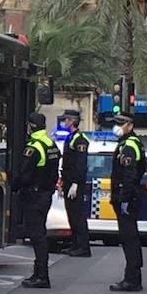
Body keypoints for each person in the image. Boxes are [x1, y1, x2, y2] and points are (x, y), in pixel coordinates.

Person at [14, 112, 58, 288]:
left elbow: (24, 174)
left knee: (37, 236)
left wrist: (15, 186)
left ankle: (41, 275)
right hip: (45, 194)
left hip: (34, 196)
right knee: (40, 234)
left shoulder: (34, 147)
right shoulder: (51, 144)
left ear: (31, 126)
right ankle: (40, 273)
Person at [109, 111, 147, 292]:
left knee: (129, 238)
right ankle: (133, 277)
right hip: (128, 197)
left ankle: (132, 279)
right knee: (129, 238)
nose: (117, 126)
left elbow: (130, 175)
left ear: (130, 125)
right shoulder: (128, 143)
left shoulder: (129, 146)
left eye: (121, 123)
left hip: (127, 199)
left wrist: (124, 199)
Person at [60, 108, 92, 257]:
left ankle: (83, 247)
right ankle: (75, 244)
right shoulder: (71, 138)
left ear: (72, 121)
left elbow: (80, 165)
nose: (64, 122)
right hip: (68, 182)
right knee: (72, 215)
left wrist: (76, 184)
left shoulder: (80, 140)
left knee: (78, 216)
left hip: (75, 184)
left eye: (66, 120)